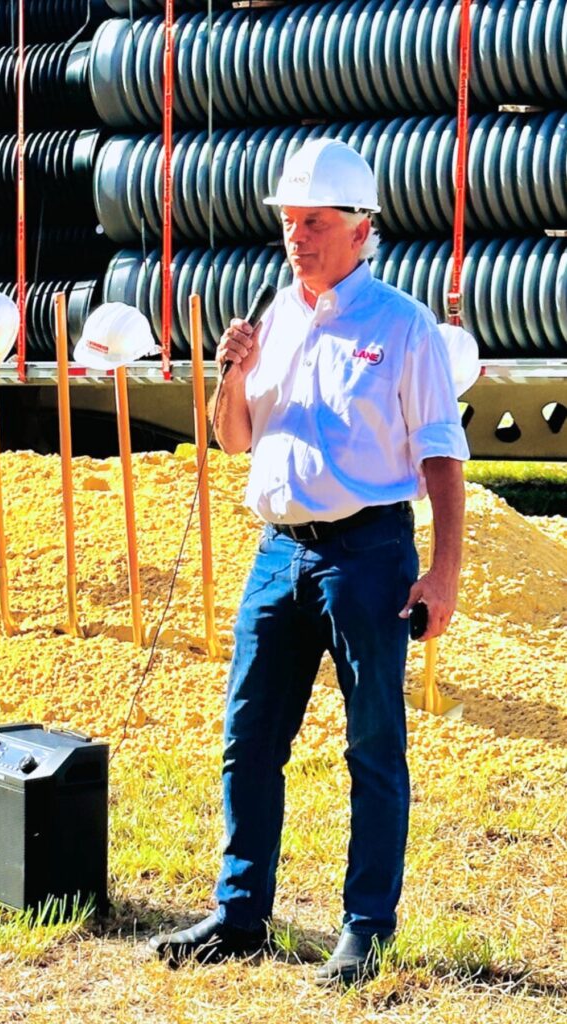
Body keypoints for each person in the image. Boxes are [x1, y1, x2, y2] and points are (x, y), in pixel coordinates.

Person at [150, 139, 469, 984]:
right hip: (277, 556)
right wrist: (231, 376)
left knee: (372, 745)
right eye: (290, 221)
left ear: (361, 227)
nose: (298, 236)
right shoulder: (275, 314)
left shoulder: (402, 327)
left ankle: (366, 929)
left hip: (367, 555)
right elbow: (234, 440)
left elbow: (440, 453)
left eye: (315, 222)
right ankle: (239, 913)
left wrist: (441, 574)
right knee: (247, 739)